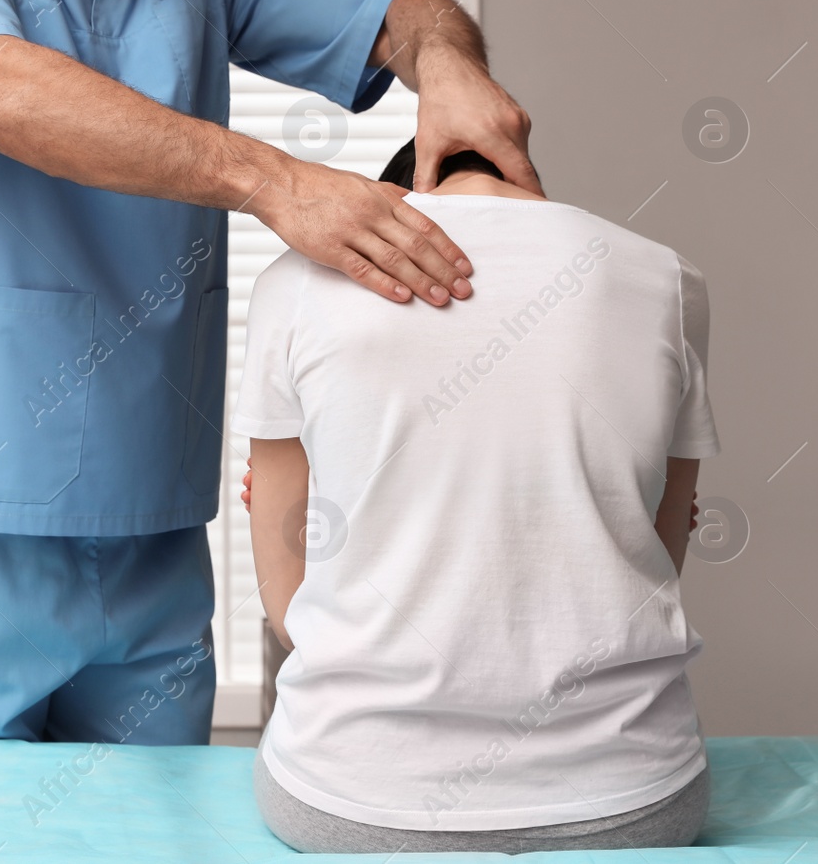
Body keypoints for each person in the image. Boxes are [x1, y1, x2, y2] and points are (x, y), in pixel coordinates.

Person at [0, 0, 539, 747]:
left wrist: (448, 62)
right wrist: (274, 181)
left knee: (157, 832)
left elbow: (409, 16)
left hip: (157, 522)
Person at [234, 139, 719, 852]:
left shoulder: (296, 280)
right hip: (633, 799)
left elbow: (288, 614)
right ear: (525, 181)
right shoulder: (669, 278)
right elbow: (657, 559)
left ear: (404, 195)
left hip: (352, 805)